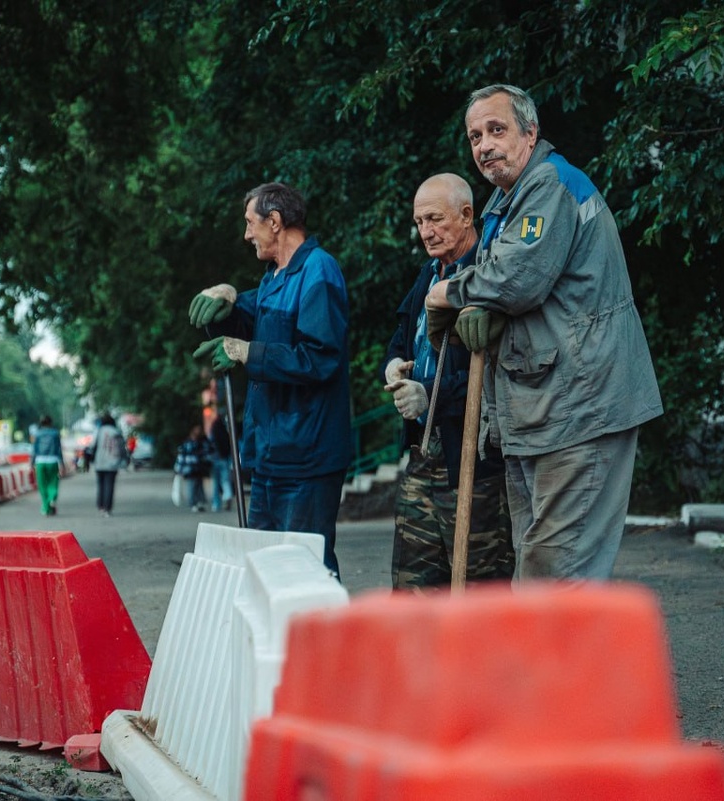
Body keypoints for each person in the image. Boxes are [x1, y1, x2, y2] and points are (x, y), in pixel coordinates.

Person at [425, 84, 664, 581]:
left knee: (554, 573)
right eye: (474, 136)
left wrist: (447, 293)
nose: (484, 145)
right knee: (541, 566)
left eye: (496, 130)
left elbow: (516, 281)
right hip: (540, 413)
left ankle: (570, 662)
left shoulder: (551, 185)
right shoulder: (505, 203)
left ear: (530, 133)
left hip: (581, 407)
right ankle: (583, 661)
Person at [189, 182, 351, 576]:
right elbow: (249, 314)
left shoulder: (318, 271)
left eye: (250, 223)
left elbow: (320, 358)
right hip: (269, 456)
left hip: (307, 459)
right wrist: (226, 298)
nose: (246, 234)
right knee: (265, 571)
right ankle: (276, 641)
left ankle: (328, 639)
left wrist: (246, 351)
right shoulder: (274, 278)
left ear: (274, 222)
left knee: (305, 571)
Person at [382, 173, 515, 589]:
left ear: (466, 214)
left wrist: (433, 398)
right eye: (420, 221)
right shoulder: (430, 273)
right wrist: (393, 366)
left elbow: (499, 371)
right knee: (412, 592)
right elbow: (401, 338)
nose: (426, 230)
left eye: (435, 219)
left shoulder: (488, 274)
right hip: (423, 458)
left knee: (478, 591)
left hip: (473, 461)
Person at [91, 412, 129, 517]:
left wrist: (91, 459)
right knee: (109, 485)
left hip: (100, 462)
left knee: (101, 485)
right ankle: (108, 508)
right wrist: (125, 459)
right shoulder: (116, 432)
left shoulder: (99, 431)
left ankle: (101, 505)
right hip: (112, 462)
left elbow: (93, 446)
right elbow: (122, 448)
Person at [30, 414, 63, 516]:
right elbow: (59, 449)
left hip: (40, 462)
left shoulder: (37, 434)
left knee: (42, 485)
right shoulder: (55, 433)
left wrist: (32, 463)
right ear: (51, 422)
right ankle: (52, 498)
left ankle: (46, 507)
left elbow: (34, 450)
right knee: (53, 483)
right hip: (53, 461)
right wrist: (62, 463)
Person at [174, 424, 212, 512]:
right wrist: (179, 469)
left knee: (198, 485)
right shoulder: (187, 444)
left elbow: (208, 453)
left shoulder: (202, 442)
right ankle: (193, 503)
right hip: (190, 469)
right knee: (191, 486)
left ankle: (199, 502)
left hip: (199, 468)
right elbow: (181, 457)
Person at [208, 411, 235, 513]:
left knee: (216, 482)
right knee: (225, 480)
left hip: (215, 458)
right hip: (224, 457)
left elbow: (210, 444)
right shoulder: (225, 429)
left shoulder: (214, 429)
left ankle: (216, 503)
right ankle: (227, 495)